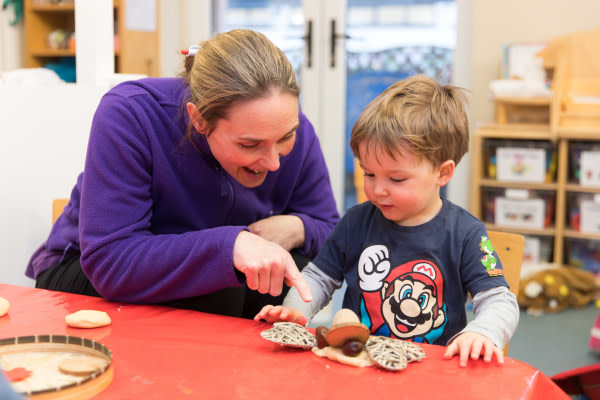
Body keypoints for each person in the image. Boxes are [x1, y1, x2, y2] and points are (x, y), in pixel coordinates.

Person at [26, 29, 339, 319]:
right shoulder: (130, 114)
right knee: (221, 286)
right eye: (250, 144)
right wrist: (231, 246)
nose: (273, 163)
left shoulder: (295, 129)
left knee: (291, 276)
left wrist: (298, 227)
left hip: (211, 280)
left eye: (285, 137)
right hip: (84, 270)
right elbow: (110, 261)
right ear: (199, 120)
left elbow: (334, 233)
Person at [255, 74, 519, 367]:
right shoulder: (356, 221)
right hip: (358, 363)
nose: (377, 190)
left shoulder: (466, 233)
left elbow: (499, 300)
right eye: (369, 173)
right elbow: (318, 278)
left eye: (396, 178)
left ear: (442, 173)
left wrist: (482, 332)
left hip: (432, 372)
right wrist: (296, 313)